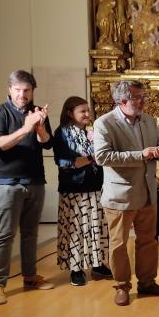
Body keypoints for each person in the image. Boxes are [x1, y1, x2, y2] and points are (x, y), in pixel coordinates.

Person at [93, 80, 159, 306]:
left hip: (148, 191)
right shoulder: (104, 123)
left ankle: (147, 282)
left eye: (143, 96)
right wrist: (141, 154)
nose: (144, 101)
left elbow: (158, 147)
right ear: (123, 100)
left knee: (148, 241)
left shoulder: (149, 120)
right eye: (139, 98)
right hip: (120, 194)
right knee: (119, 244)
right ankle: (121, 286)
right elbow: (102, 157)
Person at [0, 70, 55, 305]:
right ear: (9, 89)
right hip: (8, 184)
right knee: (5, 235)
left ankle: (30, 277)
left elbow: (47, 145)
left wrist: (40, 128)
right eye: (18, 90)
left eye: (27, 90)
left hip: (35, 182)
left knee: (30, 234)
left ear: (32, 91)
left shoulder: (37, 113)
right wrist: (26, 128)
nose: (23, 95)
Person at [53, 96, 112, 286]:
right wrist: (92, 157)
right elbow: (64, 162)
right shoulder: (62, 133)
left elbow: (103, 156)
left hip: (95, 186)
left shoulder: (91, 131)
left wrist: (98, 142)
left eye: (88, 110)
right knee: (76, 230)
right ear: (70, 113)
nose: (88, 114)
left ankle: (97, 264)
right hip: (74, 189)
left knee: (96, 229)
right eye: (83, 111)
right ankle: (76, 268)